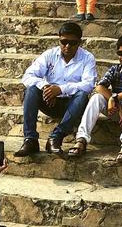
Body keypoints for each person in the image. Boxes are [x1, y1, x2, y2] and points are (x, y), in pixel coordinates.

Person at [14, 21, 97, 157]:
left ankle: (56, 137)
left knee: (82, 95)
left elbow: (88, 85)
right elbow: (28, 76)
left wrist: (60, 89)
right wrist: (46, 88)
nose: (67, 46)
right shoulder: (49, 55)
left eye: (73, 42)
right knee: (32, 90)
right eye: (64, 42)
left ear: (79, 42)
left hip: (72, 104)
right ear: (59, 40)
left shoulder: (87, 58)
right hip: (49, 101)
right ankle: (30, 139)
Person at [69, 35, 122, 163]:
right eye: (120, 53)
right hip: (117, 110)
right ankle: (81, 139)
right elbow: (99, 87)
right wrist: (116, 104)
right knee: (96, 98)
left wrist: (115, 98)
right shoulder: (115, 69)